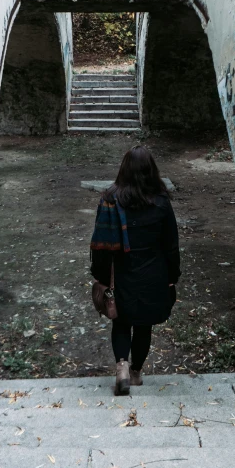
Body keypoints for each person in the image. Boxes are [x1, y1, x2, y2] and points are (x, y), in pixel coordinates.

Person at [90, 145, 181, 395]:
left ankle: (121, 367)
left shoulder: (111, 199)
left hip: (121, 273)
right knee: (144, 325)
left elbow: (101, 244)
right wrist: (172, 277)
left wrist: (100, 276)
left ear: (124, 168)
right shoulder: (161, 202)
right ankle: (136, 372)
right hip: (154, 273)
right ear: (151, 170)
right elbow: (171, 245)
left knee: (121, 322)